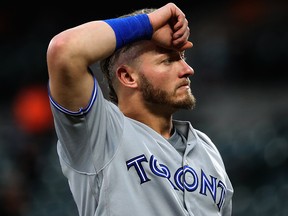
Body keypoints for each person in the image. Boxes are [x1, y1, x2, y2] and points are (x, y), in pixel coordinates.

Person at [46, 2, 233, 216]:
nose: (187, 70)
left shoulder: (207, 149)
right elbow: (64, 50)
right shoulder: (101, 135)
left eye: (182, 58)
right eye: (167, 61)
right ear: (127, 76)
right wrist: (148, 24)